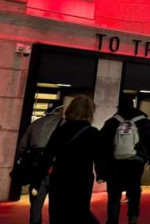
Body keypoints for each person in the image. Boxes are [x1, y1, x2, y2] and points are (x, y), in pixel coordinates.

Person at [37, 95, 102, 223]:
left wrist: (39, 177)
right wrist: (102, 173)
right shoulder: (92, 133)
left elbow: (48, 155)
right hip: (81, 179)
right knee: (79, 213)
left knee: (58, 214)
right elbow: (99, 157)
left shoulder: (60, 130)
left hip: (59, 178)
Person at [99, 96, 150, 224]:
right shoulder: (144, 121)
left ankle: (112, 220)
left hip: (115, 162)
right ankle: (133, 216)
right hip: (136, 161)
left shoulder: (112, 122)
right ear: (133, 105)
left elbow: (102, 144)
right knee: (134, 189)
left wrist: (101, 170)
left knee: (114, 193)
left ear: (119, 107)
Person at [16, 101, 63, 224]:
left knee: (36, 206)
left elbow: (21, 147)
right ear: (59, 111)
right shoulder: (63, 124)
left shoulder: (35, 124)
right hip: (56, 169)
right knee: (56, 207)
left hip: (36, 169)